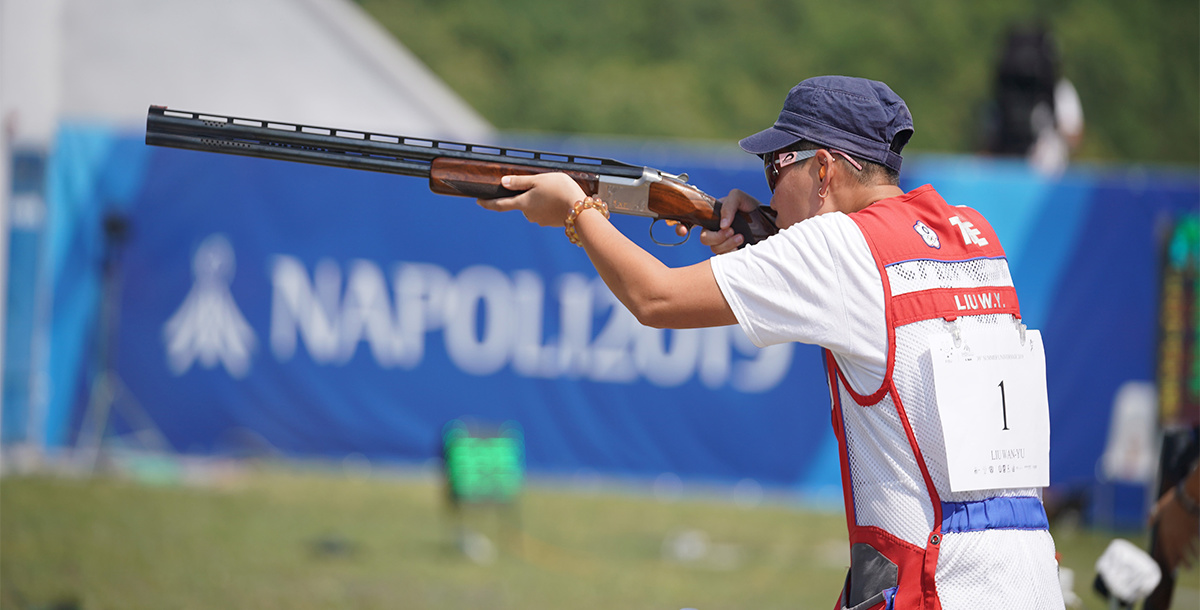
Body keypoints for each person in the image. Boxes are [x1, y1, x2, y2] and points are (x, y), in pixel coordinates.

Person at [477, 75, 1064, 609]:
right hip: (1029, 574)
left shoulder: (838, 247)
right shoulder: (971, 233)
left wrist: (577, 210)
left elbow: (654, 299)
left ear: (826, 170)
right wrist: (768, 235)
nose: (771, 189)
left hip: (935, 585)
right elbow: (888, 301)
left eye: (777, 169)